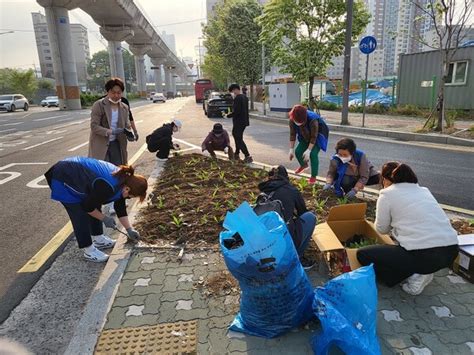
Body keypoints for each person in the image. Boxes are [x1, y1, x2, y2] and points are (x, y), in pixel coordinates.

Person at [357, 162, 458, 295]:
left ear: (386, 179)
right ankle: (422, 270)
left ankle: (418, 274)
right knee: (395, 269)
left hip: (423, 255)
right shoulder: (424, 191)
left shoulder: (387, 195)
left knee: (363, 254)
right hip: (451, 252)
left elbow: (381, 229)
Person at [45, 156, 147, 262]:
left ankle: (98, 239)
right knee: (79, 214)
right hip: (63, 176)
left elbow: (120, 207)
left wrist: (129, 229)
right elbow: (87, 207)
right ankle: (89, 251)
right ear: (127, 189)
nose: (128, 198)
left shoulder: (124, 180)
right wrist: (104, 218)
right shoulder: (108, 186)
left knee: (95, 203)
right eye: (130, 196)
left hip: (76, 172)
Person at [258, 165, 317, 257]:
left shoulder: (263, 192)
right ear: (286, 177)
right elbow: (302, 212)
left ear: (269, 177)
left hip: (263, 242)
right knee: (310, 216)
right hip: (284, 240)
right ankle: (298, 257)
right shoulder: (292, 191)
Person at [89, 78, 135, 166]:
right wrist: (111, 132)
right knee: (103, 170)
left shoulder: (124, 107)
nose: (116, 95)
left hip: (117, 144)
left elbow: (127, 125)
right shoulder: (99, 105)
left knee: (118, 170)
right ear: (108, 92)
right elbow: (94, 126)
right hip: (101, 144)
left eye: (119, 93)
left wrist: (130, 134)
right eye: (113, 92)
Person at [289, 105, 328, 184]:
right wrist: (291, 149)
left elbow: (314, 136)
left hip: (317, 137)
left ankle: (313, 176)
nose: (298, 123)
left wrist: (309, 150)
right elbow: (292, 134)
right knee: (298, 151)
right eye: (297, 122)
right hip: (304, 135)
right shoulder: (292, 119)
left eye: (301, 122)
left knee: (313, 154)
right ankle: (304, 165)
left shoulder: (313, 119)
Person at [226, 84, 253, 163]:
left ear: (235, 89)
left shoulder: (238, 98)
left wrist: (229, 115)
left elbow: (237, 111)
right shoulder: (244, 97)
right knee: (238, 137)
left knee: (238, 138)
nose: (233, 93)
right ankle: (237, 153)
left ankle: (247, 155)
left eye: (233, 91)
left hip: (238, 121)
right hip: (244, 121)